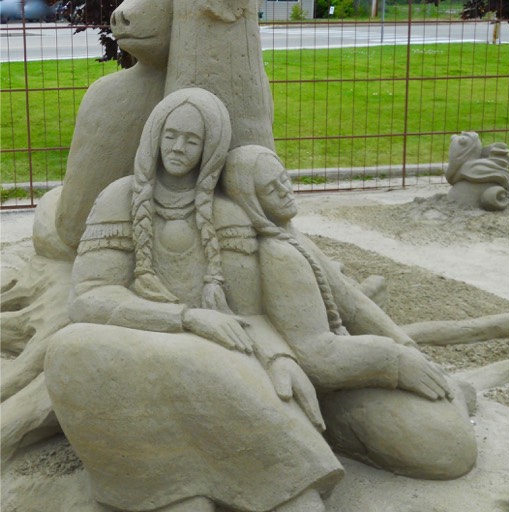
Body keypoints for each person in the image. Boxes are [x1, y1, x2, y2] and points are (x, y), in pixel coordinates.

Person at [45, 89, 343, 512]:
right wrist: (186, 318)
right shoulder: (119, 199)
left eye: (192, 140)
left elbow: (250, 314)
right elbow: (89, 298)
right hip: (139, 347)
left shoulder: (228, 215)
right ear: (155, 136)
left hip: (221, 359)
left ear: (210, 150)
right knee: (69, 349)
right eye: (170, 136)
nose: (178, 149)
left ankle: (262, 484)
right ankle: (166, 488)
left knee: (297, 497)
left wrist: (280, 359)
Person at [221, 144, 478, 480]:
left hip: (355, 362)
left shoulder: (293, 236)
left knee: (446, 428)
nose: (285, 191)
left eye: (284, 179)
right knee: (447, 447)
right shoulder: (277, 256)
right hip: (327, 387)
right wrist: (396, 361)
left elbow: (354, 304)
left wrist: (408, 348)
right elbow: (315, 355)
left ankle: (452, 398)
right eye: (271, 189)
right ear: (252, 201)